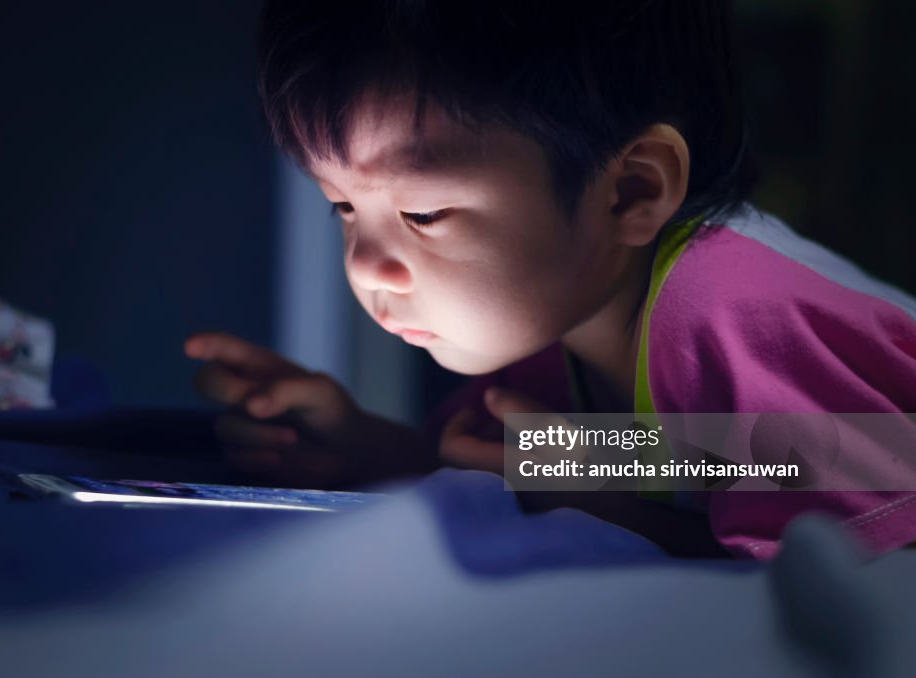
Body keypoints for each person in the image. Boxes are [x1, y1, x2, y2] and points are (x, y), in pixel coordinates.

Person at [185, 0, 916, 558]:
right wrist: (362, 443)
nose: (364, 265)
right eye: (343, 205)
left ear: (630, 191)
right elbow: (680, 458)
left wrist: (598, 508)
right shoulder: (559, 307)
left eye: (427, 212)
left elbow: (849, 583)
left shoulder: (727, 313)